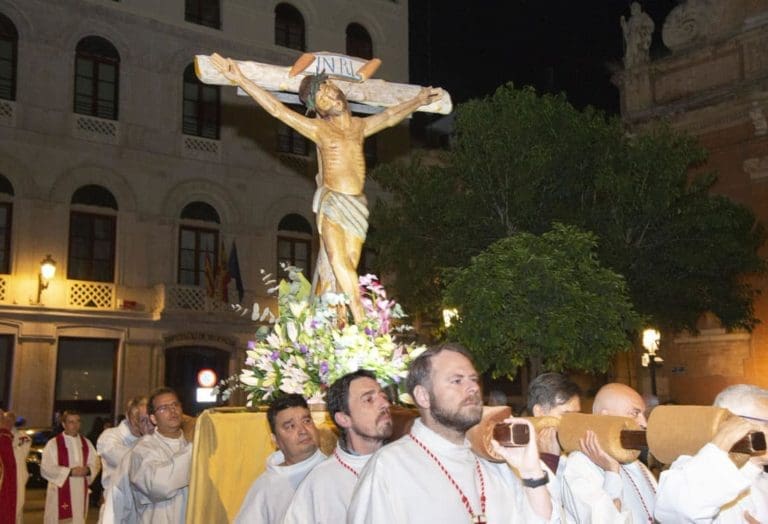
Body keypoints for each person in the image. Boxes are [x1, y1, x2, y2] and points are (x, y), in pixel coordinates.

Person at [209, 53, 443, 323]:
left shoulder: (359, 126)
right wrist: (240, 79)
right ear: (318, 109)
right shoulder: (319, 130)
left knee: (350, 267)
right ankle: (362, 319)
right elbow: (277, 110)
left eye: (328, 91)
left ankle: (340, 320)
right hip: (332, 201)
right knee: (337, 258)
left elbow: (390, 116)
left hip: (357, 205)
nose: (329, 97)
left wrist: (418, 100)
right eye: (321, 99)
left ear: (336, 90)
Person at [348, 342, 556, 523]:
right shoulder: (389, 468)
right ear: (423, 396)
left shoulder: (495, 462)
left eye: (473, 379)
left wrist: (530, 472)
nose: (473, 388)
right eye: (457, 381)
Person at [282, 370, 392, 523]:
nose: (385, 404)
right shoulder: (321, 482)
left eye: (384, 397)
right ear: (344, 419)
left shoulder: (408, 463)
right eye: (369, 399)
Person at [654, 384, 768, 523]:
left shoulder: (762, 478)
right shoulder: (692, 470)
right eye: (767, 424)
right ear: (733, 424)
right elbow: (678, 512)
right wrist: (722, 442)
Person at [561, 382, 656, 523]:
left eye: (643, 414)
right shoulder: (579, 464)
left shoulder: (636, 463)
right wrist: (611, 472)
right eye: (635, 413)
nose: (644, 423)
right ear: (606, 416)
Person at [234, 394, 326, 524]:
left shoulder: (337, 470)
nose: (303, 430)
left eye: (306, 421)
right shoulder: (266, 486)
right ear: (275, 440)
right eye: (290, 426)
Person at [129, 387, 191, 523]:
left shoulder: (188, 444)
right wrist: (196, 447)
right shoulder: (143, 449)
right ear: (153, 418)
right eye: (164, 408)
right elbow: (160, 486)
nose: (172, 410)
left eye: (175, 405)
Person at [97, 396, 153, 524]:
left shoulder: (151, 436)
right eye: (140, 418)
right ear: (129, 416)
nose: (143, 422)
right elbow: (129, 462)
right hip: (116, 507)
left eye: (147, 418)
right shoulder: (110, 436)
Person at [41, 410, 101, 524]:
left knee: (78, 519)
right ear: (64, 424)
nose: (75, 425)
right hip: (60, 490)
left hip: (80, 490)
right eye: (71, 422)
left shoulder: (86, 443)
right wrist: (69, 472)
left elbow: (96, 462)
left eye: (77, 421)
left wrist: (88, 470)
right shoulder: (53, 444)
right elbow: (45, 467)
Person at [620, 2, 654, 68]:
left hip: (640, 37)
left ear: (638, 8)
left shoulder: (644, 16)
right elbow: (627, 31)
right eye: (632, 8)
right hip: (631, 40)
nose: (633, 9)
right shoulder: (630, 20)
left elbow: (651, 26)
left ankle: (639, 61)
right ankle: (631, 64)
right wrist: (623, 23)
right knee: (630, 53)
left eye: (634, 7)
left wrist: (642, 29)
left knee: (638, 51)